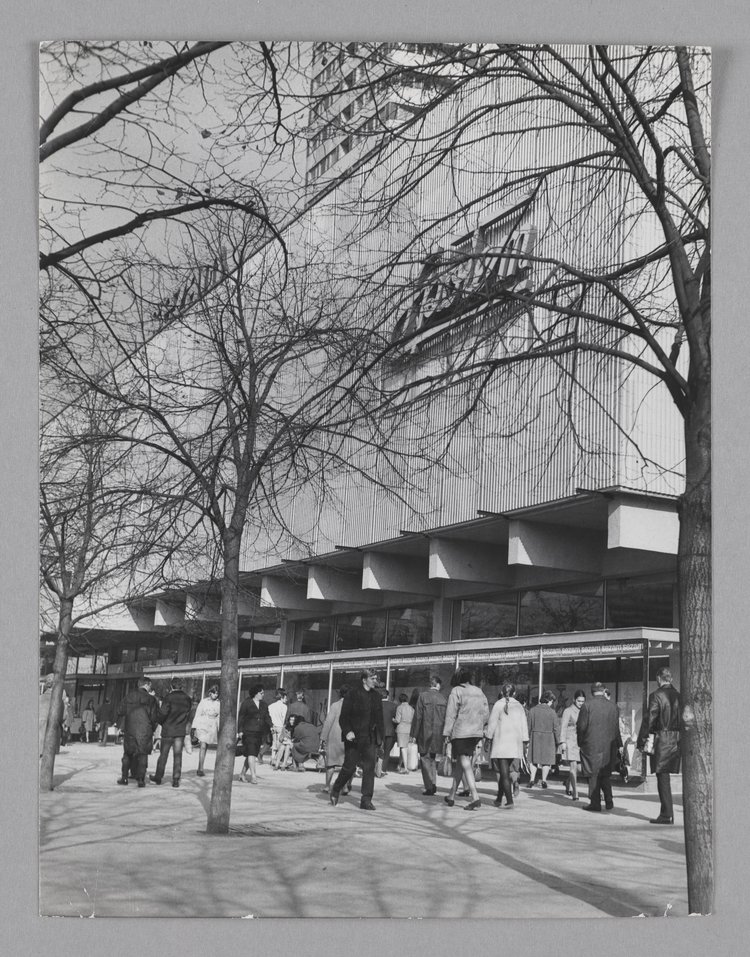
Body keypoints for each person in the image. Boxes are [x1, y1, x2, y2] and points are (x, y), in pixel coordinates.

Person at [330, 668, 384, 810]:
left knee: (369, 768)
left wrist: (381, 738)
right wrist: (348, 731)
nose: (375, 681)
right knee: (349, 767)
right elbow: (343, 717)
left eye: (376, 678)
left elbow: (380, 719)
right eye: (372, 678)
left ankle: (366, 800)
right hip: (354, 738)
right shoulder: (352, 694)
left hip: (370, 738)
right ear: (364, 680)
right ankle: (336, 788)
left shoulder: (377, 696)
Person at [636, 666, 681, 824]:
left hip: (662, 739)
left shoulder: (656, 695)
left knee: (662, 776)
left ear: (659, 679)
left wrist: (642, 740)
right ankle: (668, 813)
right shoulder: (680, 696)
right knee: (665, 776)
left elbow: (650, 720)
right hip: (677, 739)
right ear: (671, 679)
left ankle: (666, 814)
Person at [442, 669, 489, 810]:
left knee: (465, 761)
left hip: (461, 731)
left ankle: (475, 797)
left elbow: (451, 714)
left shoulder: (456, 691)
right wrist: (482, 726)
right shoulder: (479, 691)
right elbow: (486, 712)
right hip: (476, 732)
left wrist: (447, 733)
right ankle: (451, 795)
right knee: (460, 764)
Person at [577, 681, 622, 813]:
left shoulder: (587, 706)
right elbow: (616, 729)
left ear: (592, 692)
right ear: (603, 691)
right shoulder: (613, 707)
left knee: (593, 773)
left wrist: (580, 742)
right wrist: (618, 744)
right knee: (605, 773)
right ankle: (609, 799)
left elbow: (581, 727)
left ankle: (595, 802)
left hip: (591, 745)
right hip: (609, 745)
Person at [486, 682, 529, 809]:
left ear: (502, 692)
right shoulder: (519, 706)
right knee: (505, 771)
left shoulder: (498, 705)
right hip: (514, 743)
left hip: (501, 743)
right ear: (514, 693)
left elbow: (492, 723)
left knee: (504, 773)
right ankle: (499, 798)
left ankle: (509, 801)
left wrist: (488, 738)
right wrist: (525, 741)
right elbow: (524, 725)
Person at [148, 678, 193, 787]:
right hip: (180, 730)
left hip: (168, 730)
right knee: (177, 755)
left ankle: (158, 777)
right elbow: (189, 714)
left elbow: (163, 713)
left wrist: (159, 721)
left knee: (163, 755)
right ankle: (176, 779)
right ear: (181, 686)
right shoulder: (187, 698)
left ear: (171, 686)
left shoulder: (168, 697)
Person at [116, 677, 159, 787]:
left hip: (130, 729)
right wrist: (152, 729)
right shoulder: (151, 700)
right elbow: (155, 718)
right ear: (147, 685)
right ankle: (141, 779)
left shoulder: (129, 696)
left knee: (127, 753)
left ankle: (124, 777)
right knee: (143, 754)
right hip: (145, 730)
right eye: (150, 686)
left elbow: (120, 710)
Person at [409, 675, 447, 795]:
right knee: (432, 759)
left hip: (424, 732)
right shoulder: (443, 698)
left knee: (424, 759)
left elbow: (418, 717)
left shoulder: (423, 696)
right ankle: (433, 783)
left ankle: (429, 786)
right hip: (438, 733)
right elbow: (446, 717)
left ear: (430, 684)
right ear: (438, 685)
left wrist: (413, 734)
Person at [237, 684, 271, 783]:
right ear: (256, 693)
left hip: (259, 733)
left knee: (251, 754)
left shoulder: (264, 704)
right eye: (261, 693)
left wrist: (271, 725)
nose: (263, 695)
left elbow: (267, 717)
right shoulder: (246, 703)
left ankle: (242, 774)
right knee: (251, 753)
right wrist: (240, 731)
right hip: (248, 732)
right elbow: (241, 718)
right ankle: (253, 776)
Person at [526, 691, 561, 789]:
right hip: (548, 738)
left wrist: (527, 739)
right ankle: (544, 781)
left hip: (535, 737)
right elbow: (556, 728)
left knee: (533, 760)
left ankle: (532, 780)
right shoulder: (552, 712)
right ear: (549, 700)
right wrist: (558, 741)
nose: (552, 704)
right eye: (552, 701)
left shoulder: (532, 710)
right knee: (546, 761)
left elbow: (528, 726)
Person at [320, 685, 350, 793]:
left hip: (334, 737)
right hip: (348, 737)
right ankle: (345, 787)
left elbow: (328, 722)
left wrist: (323, 737)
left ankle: (327, 786)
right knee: (346, 764)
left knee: (331, 763)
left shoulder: (335, 705)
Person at [559, 690, 586, 800]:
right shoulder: (568, 711)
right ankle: (575, 792)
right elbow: (563, 727)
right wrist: (563, 742)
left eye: (583, 701)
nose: (581, 703)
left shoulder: (585, 710)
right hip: (570, 741)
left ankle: (568, 781)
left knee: (581, 768)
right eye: (579, 701)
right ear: (574, 700)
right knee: (573, 766)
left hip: (582, 742)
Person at [191, 685, 220, 777]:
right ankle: (200, 768)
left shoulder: (219, 703)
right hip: (203, 724)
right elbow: (198, 714)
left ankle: (200, 766)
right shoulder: (204, 702)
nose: (216, 695)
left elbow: (219, 716)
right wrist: (194, 727)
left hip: (212, 726)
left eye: (217, 693)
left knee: (206, 746)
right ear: (210, 693)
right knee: (203, 746)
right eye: (214, 693)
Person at [394, 692, 415, 773]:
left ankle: (405, 768)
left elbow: (397, 720)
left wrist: (393, 720)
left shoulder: (399, 708)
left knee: (403, 748)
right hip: (409, 729)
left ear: (400, 700)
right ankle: (399, 765)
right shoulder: (411, 708)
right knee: (403, 747)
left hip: (401, 729)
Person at [268, 689, 289, 764]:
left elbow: (269, 717)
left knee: (274, 742)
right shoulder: (284, 707)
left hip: (273, 726)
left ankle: (272, 758)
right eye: (285, 698)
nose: (286, 700)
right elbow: (284, 717)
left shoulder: (271, 706)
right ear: (282, 698)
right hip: (280, 726)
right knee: (280, 743)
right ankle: (276, 759)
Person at [379, 688, 397, 775]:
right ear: (388, 696)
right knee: (387, 751)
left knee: (377, 750)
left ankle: (376, 768)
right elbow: (395, 719)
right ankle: (383, 769)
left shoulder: (376, 705)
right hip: (390, 731)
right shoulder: (393, 705)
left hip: (378, 731)